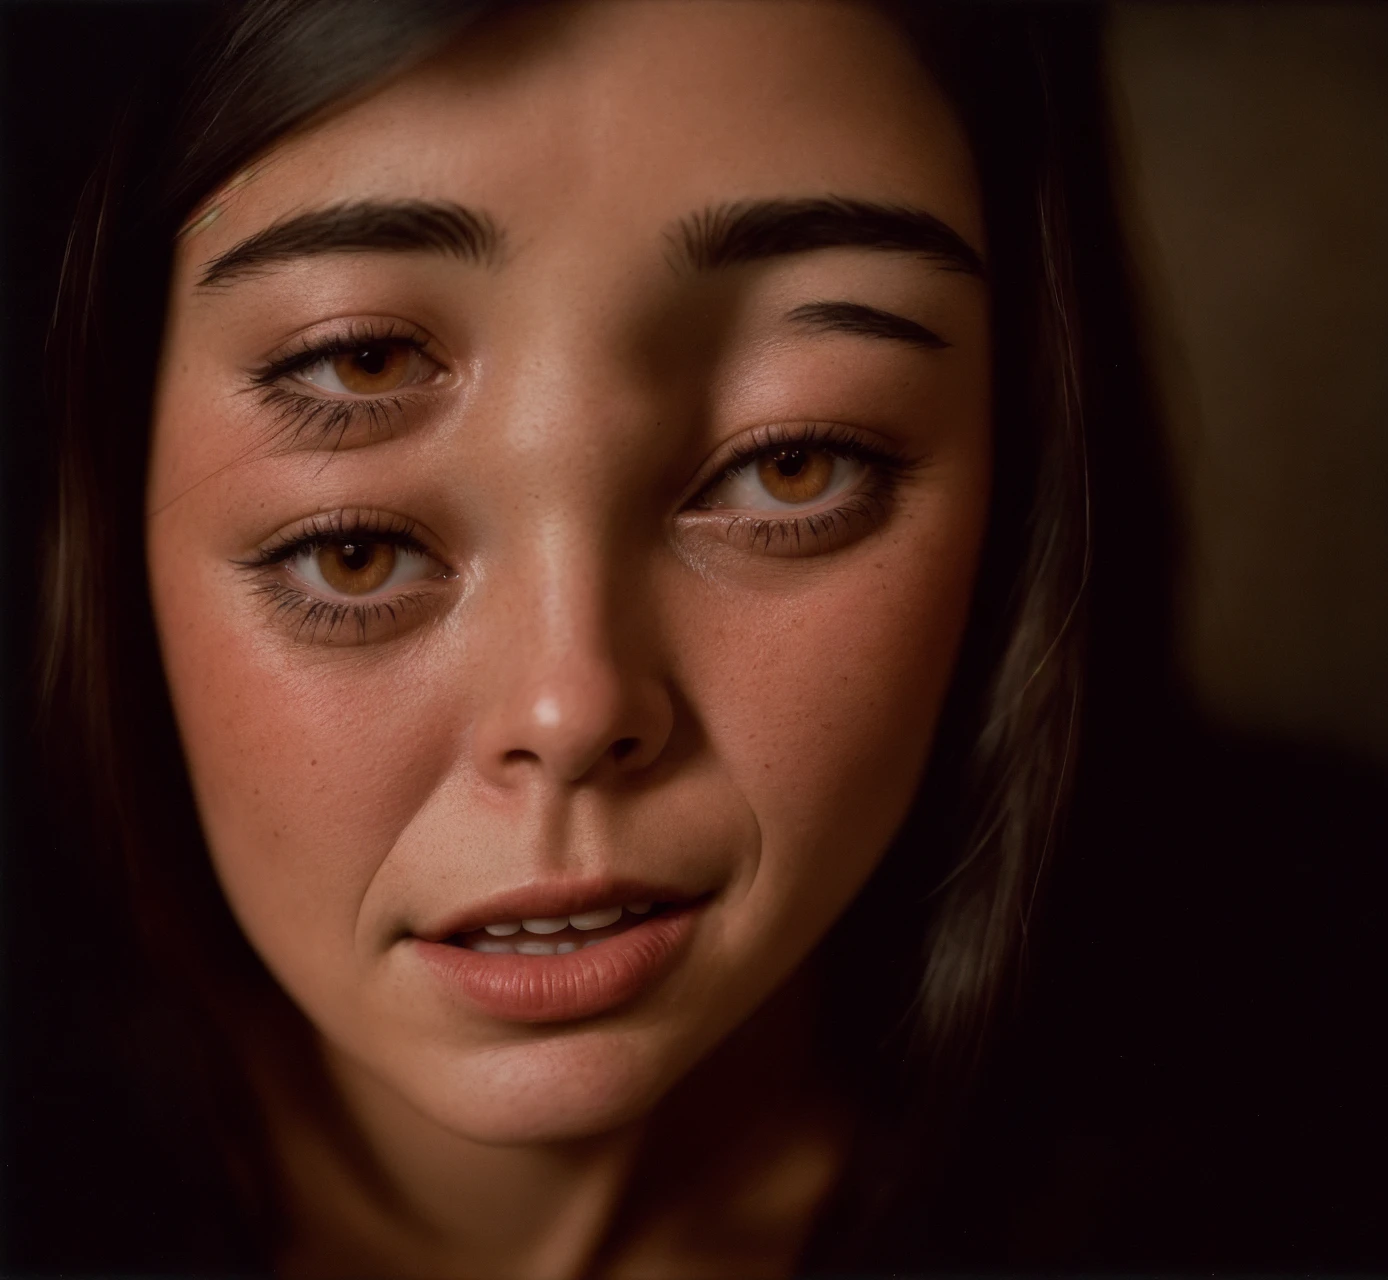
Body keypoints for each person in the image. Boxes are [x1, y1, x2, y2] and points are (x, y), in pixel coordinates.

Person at [15, 0, 1175, 1274]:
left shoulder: (1362, 1094)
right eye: (355, 545)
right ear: (101, 489)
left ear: (1023, 460)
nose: (572, 709)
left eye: (795, 462)